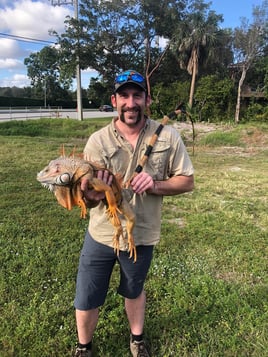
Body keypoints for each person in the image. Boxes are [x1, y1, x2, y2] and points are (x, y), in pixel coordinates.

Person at [74, 69, 194, 357]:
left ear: (147, 100)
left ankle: (137, 340)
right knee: (87, 295)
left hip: (141, 234)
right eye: (124, 96)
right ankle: (83, 347)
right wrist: (89, 194)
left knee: (134, 289)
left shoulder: (167, 136)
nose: (131, 103)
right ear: (114, 100)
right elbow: (88, 198)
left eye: (137, 95)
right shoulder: (98, 141)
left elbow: (187, 181)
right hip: (102, 233)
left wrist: (155, 184)